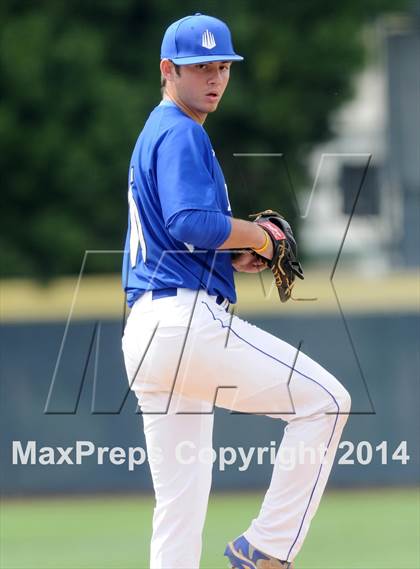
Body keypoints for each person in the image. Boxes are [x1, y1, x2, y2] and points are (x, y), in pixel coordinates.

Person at [122, 13, 351, 569]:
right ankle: (266, 548)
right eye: (201, 66)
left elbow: (183, 234)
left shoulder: (156, 132)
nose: (215, 77)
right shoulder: (180, 129)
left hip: (148, 334)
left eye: (222, 65)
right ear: (168, 70)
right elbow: (188, 221)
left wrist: (237, 252)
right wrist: (261, 236)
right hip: (185, 327)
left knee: (178, 511)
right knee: (326, 403)